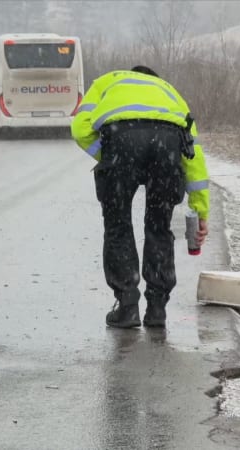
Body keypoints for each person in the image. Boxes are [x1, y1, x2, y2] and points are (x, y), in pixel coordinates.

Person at [71, 65, 210, 329]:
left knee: (118, 225)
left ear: (131, 75)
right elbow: (193, 156)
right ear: (154, 80)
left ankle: (127, 307)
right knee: (159, 226)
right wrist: (200, 210)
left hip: (122, 138)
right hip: (167, 142)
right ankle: (157, 309)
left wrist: (109, 155)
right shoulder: (169, 92)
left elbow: (80, 129)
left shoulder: (107, 82)